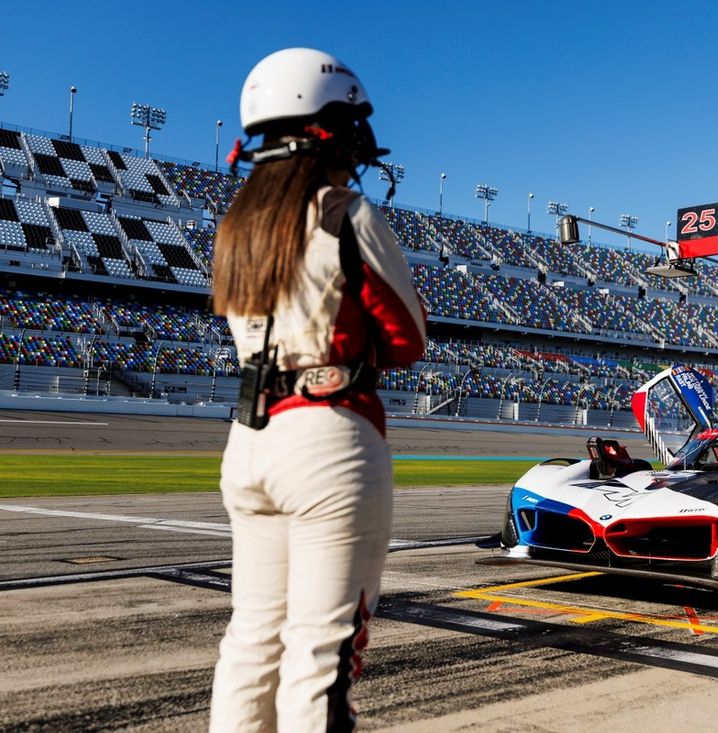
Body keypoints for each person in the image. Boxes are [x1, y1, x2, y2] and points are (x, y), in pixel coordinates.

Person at [208, 48, 426, 732]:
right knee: (318, 661)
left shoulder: (237, 225)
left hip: (249, 440)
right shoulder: (343, 211)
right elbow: (407, 338)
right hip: (329, 436)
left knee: (251, 644)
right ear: (324, 123)